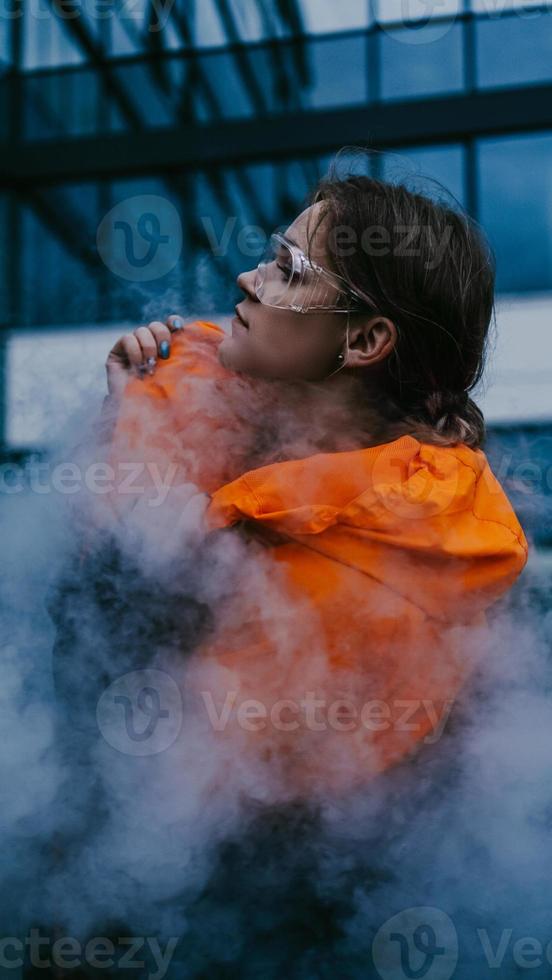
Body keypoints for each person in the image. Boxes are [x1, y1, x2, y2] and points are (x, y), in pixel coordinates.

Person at [93, 159, 528, 799]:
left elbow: (125, 748)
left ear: (365, 340)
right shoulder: (250, 452)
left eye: (288, 270)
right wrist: (130, 420)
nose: (247, 277)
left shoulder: (356, 584)